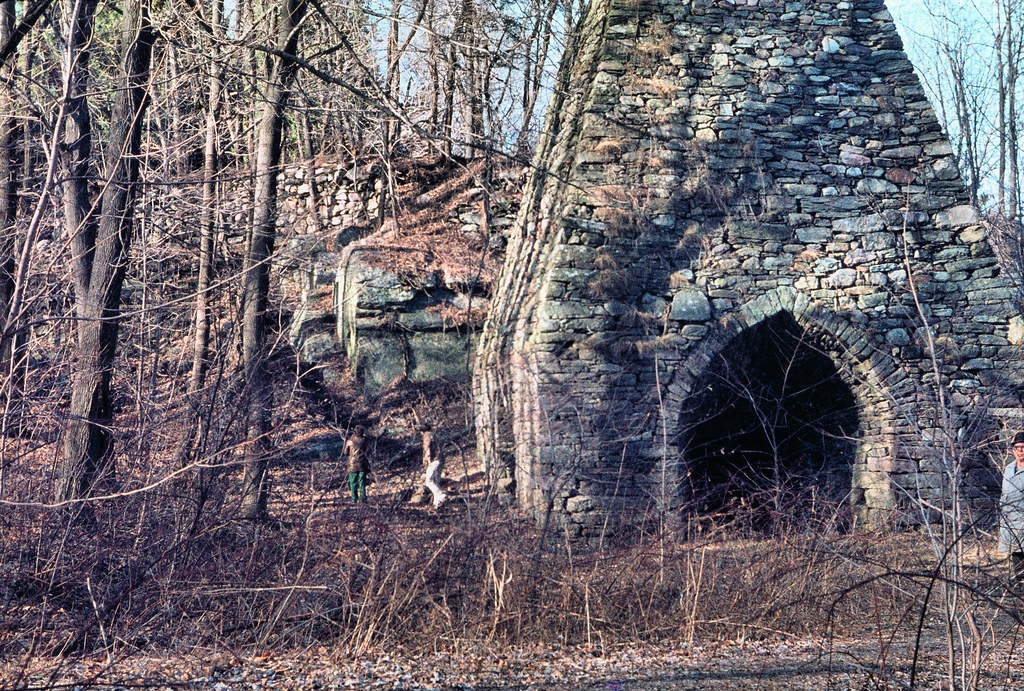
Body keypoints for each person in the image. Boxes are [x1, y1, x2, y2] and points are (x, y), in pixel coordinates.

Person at [1000, 431, 1024, 586]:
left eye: (1023, 447)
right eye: (1017, 448)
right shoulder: (1009, 468)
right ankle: (1020, 581)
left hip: (1022, 516)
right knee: (1016, 551)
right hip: (1009, 517)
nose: (1020, 451)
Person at [419, 423, 447, 508]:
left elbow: (427, 450)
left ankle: (440, 495)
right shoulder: (436, 435)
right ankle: (437, 503)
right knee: (436, 482)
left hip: (434, 461)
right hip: (441, 460)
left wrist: (428, 461)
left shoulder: (426, 436)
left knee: (429, 481)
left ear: (422, 431)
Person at [345, 426, 370, 503]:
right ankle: (363, 499)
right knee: (362, 482)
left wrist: (347, 446)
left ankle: (354, 499)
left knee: (353, 483)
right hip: (362, 464)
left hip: (352, 464)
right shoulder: (365, 441)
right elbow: (368, 452)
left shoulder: (350, 441)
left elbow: (345, 453)